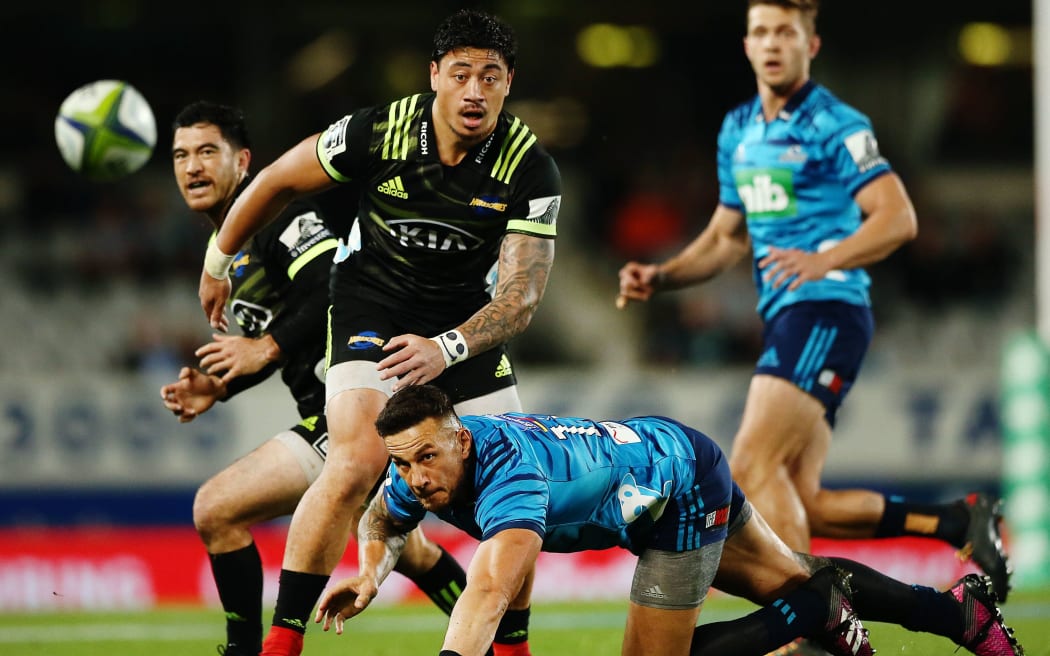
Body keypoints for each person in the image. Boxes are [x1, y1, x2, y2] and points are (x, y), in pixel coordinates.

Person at [615, 0, 1011, 604]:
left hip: (827, 309)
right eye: (761, 32)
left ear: (811, 45)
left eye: (785, 32)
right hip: (788, 318)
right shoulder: (738, 130)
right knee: (805, 501)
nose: (772, 43)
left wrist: (824, 260)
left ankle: (810, 626)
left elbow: (898, 218)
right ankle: (958, 522)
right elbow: (727, 237)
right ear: (746, 45)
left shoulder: (836, 124)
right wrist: (663, 275)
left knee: (748, 468)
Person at [196, 10, 561, 656]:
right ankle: (282, 644)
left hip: (461, 325)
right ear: (435, 78)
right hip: (373, 305)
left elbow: (522, 297)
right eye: (461, 75)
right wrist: (218, 258)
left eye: (491, 77)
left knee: (517, 476)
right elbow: (278, 177)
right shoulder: (383, 131)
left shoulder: (530, 168)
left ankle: (512, 650)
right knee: (360, 458)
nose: (474, 91)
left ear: (510, 84)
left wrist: (446, 347)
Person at [314, 385, 1024, 656]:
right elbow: (380, 517)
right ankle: (959, 616)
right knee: (791, 573)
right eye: (403, 463)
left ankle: (811, 612)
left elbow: (488, 594)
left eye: (424, 460)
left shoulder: (511, 484)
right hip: (667, 454)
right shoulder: (429, 465)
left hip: (677, 490)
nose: (415, 478)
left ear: (461, 440)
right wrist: (370, 576)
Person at [165, 101, 473, 656]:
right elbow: (286, 344)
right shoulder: (229, 252)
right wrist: (221, 385)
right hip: (334, 412)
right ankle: (498, 634)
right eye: (181, 155)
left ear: (244, 161)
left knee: (217, 508)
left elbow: (329, 286)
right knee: (412, 551)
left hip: (359, 411)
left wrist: (267, 344)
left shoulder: (280, 220)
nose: (193, 166)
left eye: (208, 151)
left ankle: (247, 650)